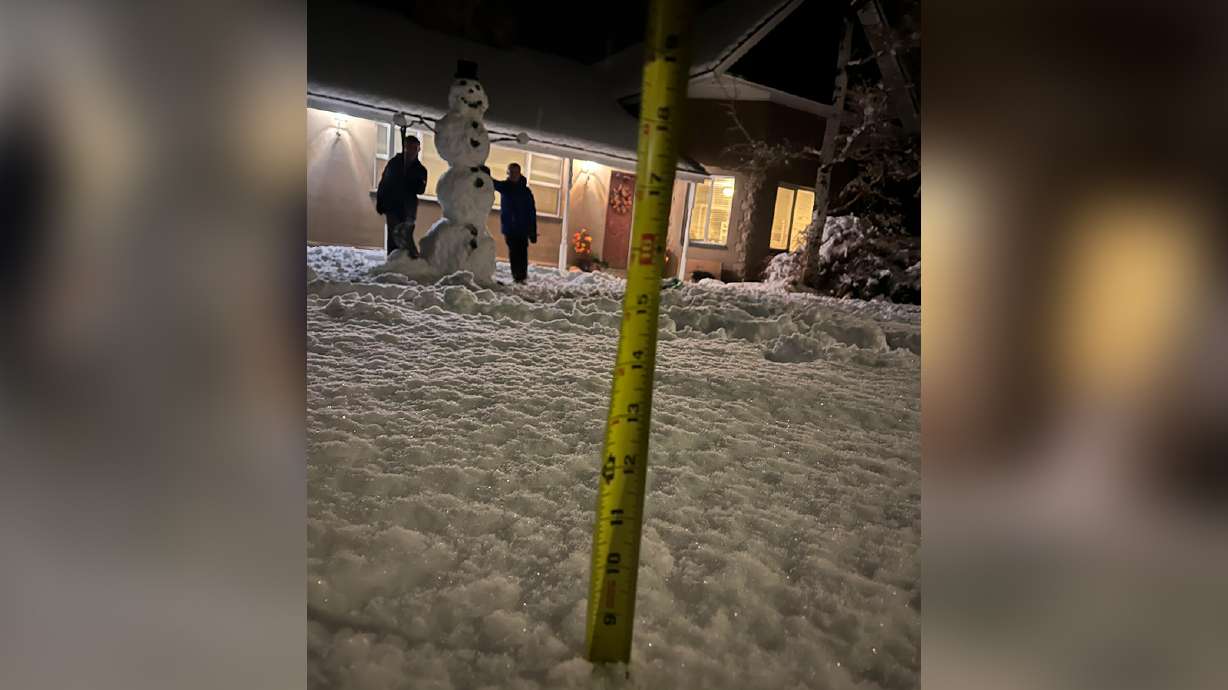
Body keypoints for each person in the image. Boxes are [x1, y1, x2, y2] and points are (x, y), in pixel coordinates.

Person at [375, 131, 428, 257]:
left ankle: (407, 261)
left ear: (418, 150)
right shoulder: (394, 163)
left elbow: (420, 189)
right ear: (404, 147)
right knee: (393, 236)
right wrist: (380, 202)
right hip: (392, 206)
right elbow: (384, 183)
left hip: (408, 209)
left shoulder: (420, 170)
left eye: (414, 148)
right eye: (409, 147)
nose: (411, 151)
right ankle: (393, 260)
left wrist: (409, 179)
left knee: (405, 236)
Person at [492, 162, 537, 282]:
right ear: (508, 173)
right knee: (514, 252)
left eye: (515, 172)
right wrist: (483, 173)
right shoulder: (505, 187)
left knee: (522, 252)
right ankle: (517, 276)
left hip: (523, 229)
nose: (513, 174)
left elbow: (531, 212)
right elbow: (492, 183)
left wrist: (533, 231)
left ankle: (522, 276)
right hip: (510, 228)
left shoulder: (526, 191)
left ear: (519, 173)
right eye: (511, 172)